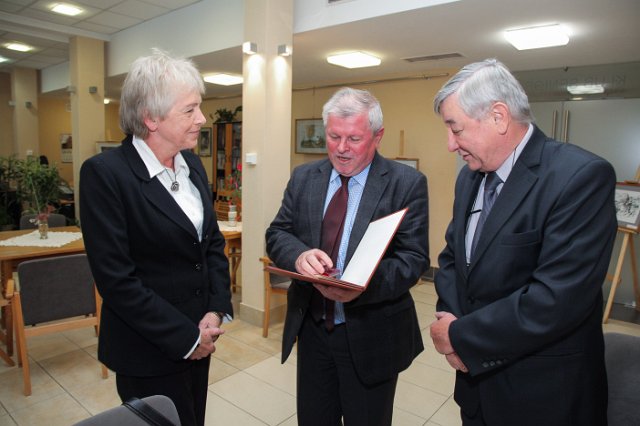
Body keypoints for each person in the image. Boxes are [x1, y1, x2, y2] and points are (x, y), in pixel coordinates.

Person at [429, 58, 617, 426]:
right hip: (475, 386)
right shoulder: (469, 177)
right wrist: (451, 321)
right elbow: (453, 258)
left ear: (498, 117)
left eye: (456, 128)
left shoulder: (579, 177)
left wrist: (459, 336)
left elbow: (556, 299)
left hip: (543, 395)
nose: (450, 144)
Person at [79, 49, 232, 426]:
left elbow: (211, 244)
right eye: (190, 110)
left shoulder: (191, 163)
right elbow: (117, 281)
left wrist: (214, 311)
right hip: (148, 351)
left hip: (201, 338)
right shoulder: (105, 175)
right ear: (151, 118)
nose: (202, 119)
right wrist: (186, 339)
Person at [266, 87, 429, 426]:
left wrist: (360, 285)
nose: (341, 148)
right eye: (333, 136)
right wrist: (298, 256)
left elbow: (413, 259)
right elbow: (277, 233)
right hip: (313, 332)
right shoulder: (304, 177)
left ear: (377, 136)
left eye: (354, 138)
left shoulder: (406, 183)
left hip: (371, 337)